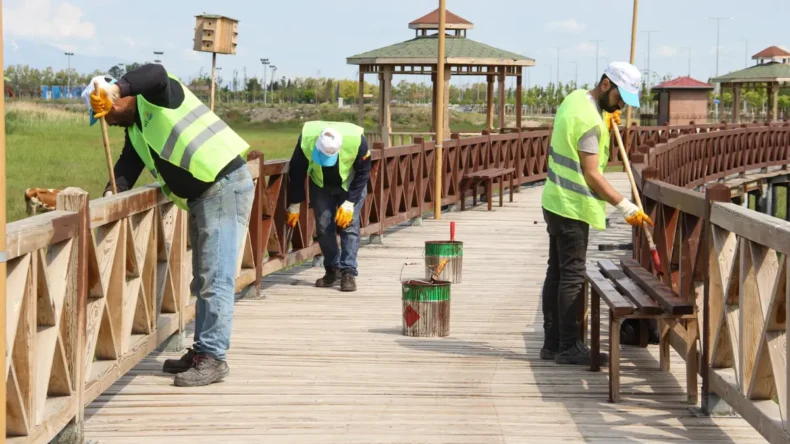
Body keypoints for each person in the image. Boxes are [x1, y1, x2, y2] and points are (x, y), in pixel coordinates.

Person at [82, 64, 254, 386]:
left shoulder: (159, 96)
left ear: (118, 98)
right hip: (206, 194)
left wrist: (115, 89)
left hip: (223, 183)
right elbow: (124, 170)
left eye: (107, 112)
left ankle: (213, 357)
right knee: (204, 277)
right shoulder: (135, 133)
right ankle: (203, 350)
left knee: (214, 277)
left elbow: (156, 72)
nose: (107, 119)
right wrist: (109, 195)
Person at [540, 61, 653, 366]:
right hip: (573, 205)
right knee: (573, 276)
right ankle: (568, 346)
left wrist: (606, 116)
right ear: (606, 84)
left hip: (554, 199)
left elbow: (582, 125)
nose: (621, 106)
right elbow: (592, 174)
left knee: (557, 271)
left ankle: (551, 344)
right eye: (619, 99)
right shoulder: (590, 120)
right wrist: (624, 205)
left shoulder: (575, 99)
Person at [285, 121, 371, 292]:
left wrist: (350, 202)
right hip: (320, 183)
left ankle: (348, 272)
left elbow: (363, 172)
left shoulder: (357, 141)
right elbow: (297, 171)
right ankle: (332, 269)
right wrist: (295, 203)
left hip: (350, 183)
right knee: (323, 226)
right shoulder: (307, 139)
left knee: (350, 225)